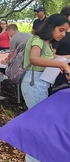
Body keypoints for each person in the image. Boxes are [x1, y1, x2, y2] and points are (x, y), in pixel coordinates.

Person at [21, 14, 70, 162]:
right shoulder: (38, 40)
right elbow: (34, 59)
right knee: (40, 124)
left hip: (41, 84)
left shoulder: (48, 44)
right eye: (61, 30)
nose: (63, 34)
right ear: (50, 26)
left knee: (42, 123)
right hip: (33, 84)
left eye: (65, 31)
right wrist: (62, 64)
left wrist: (62, 63)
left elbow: (50, 60)